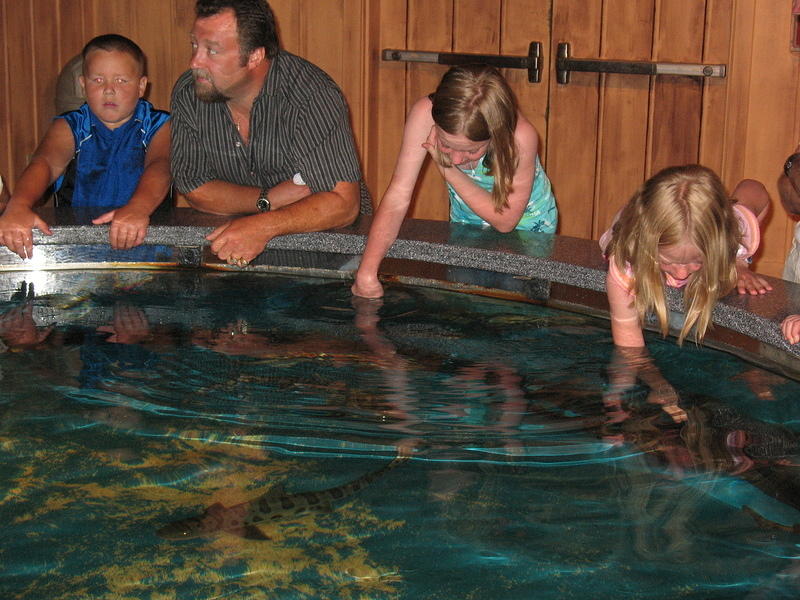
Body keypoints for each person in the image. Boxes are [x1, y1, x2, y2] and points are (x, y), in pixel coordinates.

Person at [170, 0, 363, 268]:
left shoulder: (311, 96)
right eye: (195, 45)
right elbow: (194, 187)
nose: (195, 62)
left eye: (211, 51)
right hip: (235, 256)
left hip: (327, 261)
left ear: (254, 57)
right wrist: (267, 200)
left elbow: (344, 204)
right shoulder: (188, 93)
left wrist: (262, 226)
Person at [351, 64, 557, 299]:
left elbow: (505, 221)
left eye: (471, 151)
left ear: (495, 135)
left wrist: (446, 168)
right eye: (446, 145)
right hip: (466, 221)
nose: (457, 158)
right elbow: (398, 195)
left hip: (529, 229)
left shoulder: (519, 138)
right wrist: (367, 271)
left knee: (515, 312)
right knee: (463, 301)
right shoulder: (423, 114)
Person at [0, 34, 171, 257]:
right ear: (83, 84)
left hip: (148, 249)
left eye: (121, 80)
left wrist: (138, 207)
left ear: (141, 86)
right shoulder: (70, 125)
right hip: (77, 253)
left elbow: (161, 165)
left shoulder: (159, 125)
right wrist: (19, 205)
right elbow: (45, 163)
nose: (109, 90)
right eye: (97, 80)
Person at [600, 164, 771, 348]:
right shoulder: (627, 262)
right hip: (623, 230)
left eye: (697, 261)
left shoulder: (732, 230)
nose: (681, 274)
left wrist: (739, 260)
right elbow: (627, 342)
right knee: (618, 230)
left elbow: (754, 189)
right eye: (668, 261)